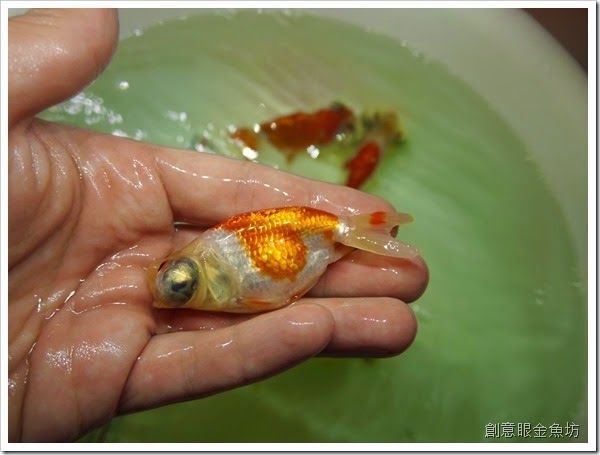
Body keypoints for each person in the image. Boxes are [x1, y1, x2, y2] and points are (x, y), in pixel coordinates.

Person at [7, 9, 428, 442]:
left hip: (306, 239)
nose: (168, 289)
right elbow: (270, 294)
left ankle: (350, 232)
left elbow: (270, 286)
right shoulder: (209, 270)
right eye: (178, 285)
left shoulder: (218, 268)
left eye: (177, 284)